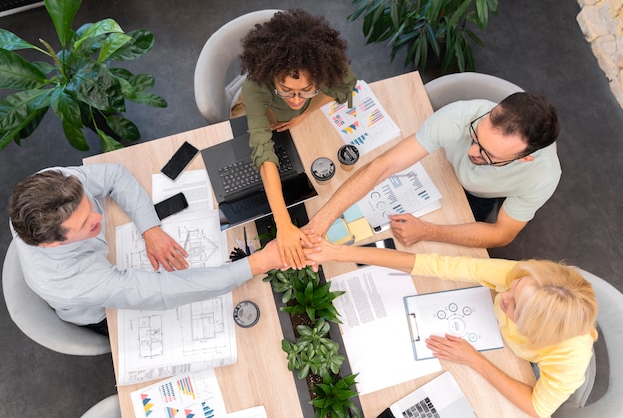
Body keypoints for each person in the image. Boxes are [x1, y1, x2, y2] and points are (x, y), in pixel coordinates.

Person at [8, 164, 314, 335]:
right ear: (52, 242)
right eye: (87, 223)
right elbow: (168, 290)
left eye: (91, 205)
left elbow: (114, 176)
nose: (99, 217)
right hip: (97, 312)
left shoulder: (50, 184)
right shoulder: (74, 283)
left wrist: (150, 228)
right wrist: (260, 262)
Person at [307, 240, 598, 418]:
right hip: (496, 338)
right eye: (513, 288)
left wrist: (474, 359)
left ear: (534, 332)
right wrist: (341, 254)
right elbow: (440, 265)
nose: (501, 294)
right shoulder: (522, 279)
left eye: (512, 306)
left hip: (523, 368)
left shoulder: (569, 357)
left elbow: (538, 408)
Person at [306, 92, 561, 248]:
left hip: (481, 196)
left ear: (525, 159)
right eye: (475, 136)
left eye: (488, 155)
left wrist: (429, 231)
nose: (472, 152)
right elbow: (382, 166)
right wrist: (321, 221)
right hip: (441, 168)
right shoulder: (460, 116)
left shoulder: (543, 177)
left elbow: (501, 233)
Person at [239, 9, 357, 269]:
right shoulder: (255, 88)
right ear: (271, 77)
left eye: (306, 90)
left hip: (301, 127)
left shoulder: (325, 68)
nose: (295, 100)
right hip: (266, 116)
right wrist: (283, 222)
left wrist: (307, 111)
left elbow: (347, 85)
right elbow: (262, 148)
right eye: (286, 91)